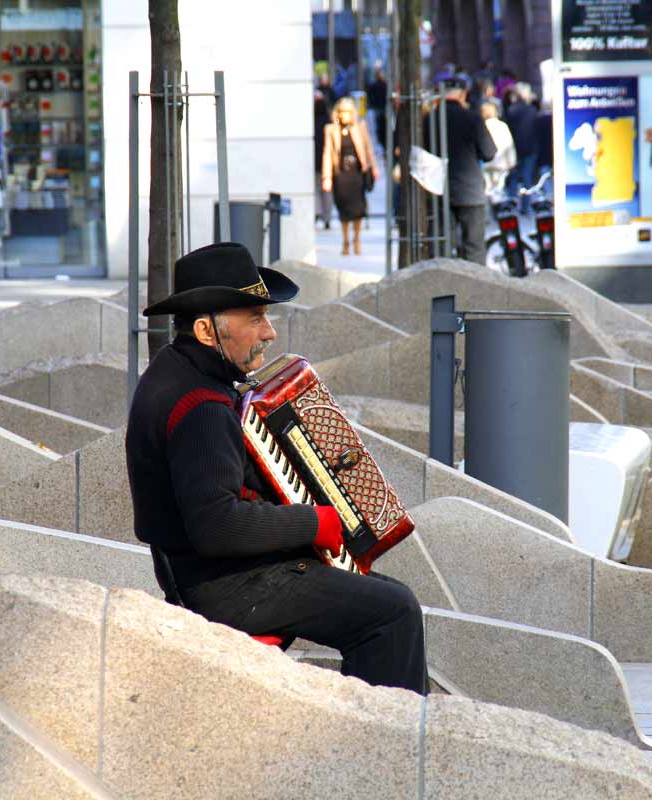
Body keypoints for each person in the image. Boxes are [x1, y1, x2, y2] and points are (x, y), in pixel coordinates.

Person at [125, 241, 428, 695]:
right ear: (208, 331)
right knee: (393, 612)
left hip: (203, 574)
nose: (269, 333)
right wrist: (314, 520)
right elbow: (218, 525)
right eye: (255, 319)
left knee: (375, 591)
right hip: (228, 588)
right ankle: (388, 746)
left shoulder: (175, 371)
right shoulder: (201, 405)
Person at [425, 75, 497, 264]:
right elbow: (489, 152)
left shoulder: (428, 120)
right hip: (470, 191)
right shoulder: (472, 118)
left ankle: (443, 290)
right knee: (474, 249)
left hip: (438, 191)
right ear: (463, 94)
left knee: (442, 250)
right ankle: (474, 290)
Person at [321, 97, 379, 256]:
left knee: (358, 208)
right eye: (341, 112)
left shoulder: (360, 127)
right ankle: (346, 240)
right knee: (343, 208)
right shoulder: (331, 129)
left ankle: (357, 240)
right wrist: (326, 177)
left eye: (347, 112)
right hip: (340, 174)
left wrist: (374, 167)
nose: (344, 115)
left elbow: (368, 148)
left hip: (357, 173)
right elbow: (327, 153)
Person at [504, 82, 539, 213]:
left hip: (515, 147)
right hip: (530, 146)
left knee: (513, 175)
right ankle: (525, 206)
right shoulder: (532, 110)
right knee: (527, 177)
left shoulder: (511, 110)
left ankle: (511, 203)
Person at [480, 99, 515, 199]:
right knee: (499, 190)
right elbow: (509, 144)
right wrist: (511, 162)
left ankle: (489, 212)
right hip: (501, 164)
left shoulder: (482, 126)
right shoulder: (502, 126)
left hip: (486, 164)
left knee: (487, 191)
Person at [313, 93, 333, 230]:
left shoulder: (311, 123)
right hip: (326, 163)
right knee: (326, 191)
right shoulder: (329, 123)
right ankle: (327, 217)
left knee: (317, 189)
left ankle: (318, 212)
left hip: (315, 161)